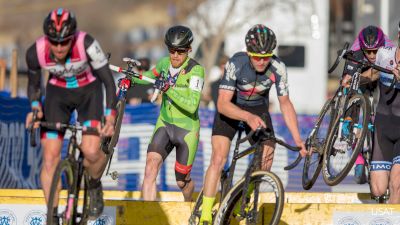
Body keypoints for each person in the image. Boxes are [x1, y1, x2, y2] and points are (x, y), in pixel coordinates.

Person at [199, 24, 307, 224]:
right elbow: (222, 103)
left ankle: (245, 194)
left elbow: (285, 103)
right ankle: (205, 214)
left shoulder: (278, 68)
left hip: (258, 109)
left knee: (267, 151)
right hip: (231, 108)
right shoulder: (236, 63)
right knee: (218, 158)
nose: (261, 61)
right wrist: (246, 117)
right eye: (257, 56)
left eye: (266, 56)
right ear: (248, 53)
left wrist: (298, 139)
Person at [25, 8, 116, 220]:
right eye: (53, 42)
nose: (58, 47)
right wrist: (36, 107)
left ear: (72, 37)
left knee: (92, 151)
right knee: (49, 158)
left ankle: (93, 183)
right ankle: (53, 216)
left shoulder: (87, 44)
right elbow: (34, 86)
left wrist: (110, 116)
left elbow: (109, 83)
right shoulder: (35, 52)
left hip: (89, 93)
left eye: (64, 42)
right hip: (58, 94)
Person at [132, 25, 205, 201]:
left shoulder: (196, 70)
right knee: (150, 167)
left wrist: (168, 88)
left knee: (182, 181)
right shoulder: (164, 63)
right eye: (172, 51)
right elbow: (149, 77)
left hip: (186, 130)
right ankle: (147, 216)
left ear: (189, 50)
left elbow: (192, 106)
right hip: (164, 124)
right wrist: (130, 76)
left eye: (180, 52)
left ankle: (190, 205)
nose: (175, 56)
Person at [340, 25, 394, 184]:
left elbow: (377, 73)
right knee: (352, 89)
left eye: (374, 51)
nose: (371, 55)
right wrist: (348, 81)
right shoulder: (357, 49)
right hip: (361, 69)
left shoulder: (388, 48)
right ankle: (357, 158)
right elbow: (348, 76)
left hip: (380, 72)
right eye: (368, 51)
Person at [364, 21, 400, 203]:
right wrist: (355, 77)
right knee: (378, 190)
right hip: (383, 126)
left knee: (397, 184)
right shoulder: (384, 54)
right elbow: (372, 73)